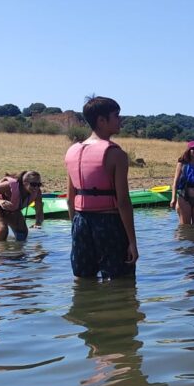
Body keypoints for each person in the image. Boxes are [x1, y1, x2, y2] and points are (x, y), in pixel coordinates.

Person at [65, 97, 138, 279]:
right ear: (101, 120)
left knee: (84, 280)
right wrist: (132, 242)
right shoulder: (116, 155)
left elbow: (70, 198)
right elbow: (123, 202)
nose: (120, 120)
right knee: (121, 282)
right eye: (116, 115)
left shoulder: (72, 151)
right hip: (109, 223)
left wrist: (76, 229)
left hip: (80, 223)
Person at [0, 170, 45, 241]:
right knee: (3, 230)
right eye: (33, 184)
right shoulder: (10, 185)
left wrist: (38, 222)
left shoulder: (37, 193)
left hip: (11, 209)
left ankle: (16, 251)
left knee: (23, 234)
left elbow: (39, 211)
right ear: (24, 183)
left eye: (39, 185)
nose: (36, 188)